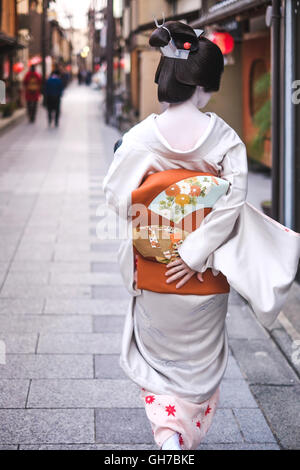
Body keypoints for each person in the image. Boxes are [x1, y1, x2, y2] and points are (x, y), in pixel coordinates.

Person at [103, 21, 300, 450]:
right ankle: (182, 433)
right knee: (198, 366)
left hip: (156, 277)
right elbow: (231, 202)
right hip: (205, 277)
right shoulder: (225, 140)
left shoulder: (139, 139)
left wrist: (163, 207)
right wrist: (194, 249)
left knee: (159, 364)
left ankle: (166, 433)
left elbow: (120, 202)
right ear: (203, 84)